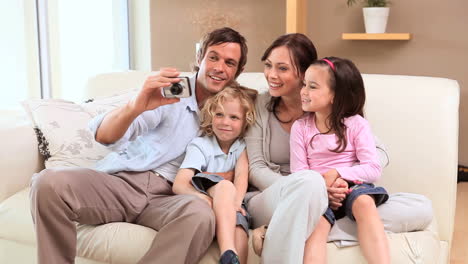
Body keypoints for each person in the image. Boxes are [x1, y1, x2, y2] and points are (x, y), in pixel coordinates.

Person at [29, 27, 248, 264]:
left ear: (238, 71)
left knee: (201, 215)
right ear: (199, 57)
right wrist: (136, 106)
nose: (219, 68)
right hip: (124, 182)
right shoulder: (170, 93)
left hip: (171, 197)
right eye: (213, 57)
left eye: (229, 63)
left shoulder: (235, 109)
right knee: (47, 184)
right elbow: (104, 136)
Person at [244, 33, 433, 264]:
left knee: (420, 208)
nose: (271, 75)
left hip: (340, 191)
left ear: (305, 72)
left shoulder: (343, 117)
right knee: (312, 193)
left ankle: (284, 229)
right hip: (280, 194)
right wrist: (311, 188)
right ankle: (297, 221)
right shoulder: (267, 110)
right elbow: (258, 168)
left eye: (282, 68)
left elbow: (377, 157)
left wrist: (338, 180)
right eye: (268, 65)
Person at [290, 57, 390, 263]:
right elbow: (298, 173)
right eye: (304, 84)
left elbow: (373, 168)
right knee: (316, 224)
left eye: (312, 86)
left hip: (352, 187)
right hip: (318, 191)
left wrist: (338, 174)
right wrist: (324, 186)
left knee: (364, 202)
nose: (303, 91)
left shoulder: (356, 124)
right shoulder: (300, 128)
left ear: (335, 95)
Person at [173, 86, 257, 264]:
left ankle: (233, 258)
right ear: (210, 116)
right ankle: (227, 251)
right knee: (225, 185)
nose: (225, 122)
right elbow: (179, 184)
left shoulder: (241, 146)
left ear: (244, 122)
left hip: (232, 203)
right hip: (205, 199)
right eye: (219, 114)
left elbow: (242, 177)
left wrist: (235, 204)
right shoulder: (200, 145)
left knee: (240, 230)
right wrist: (206, 200)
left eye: (234, 117)